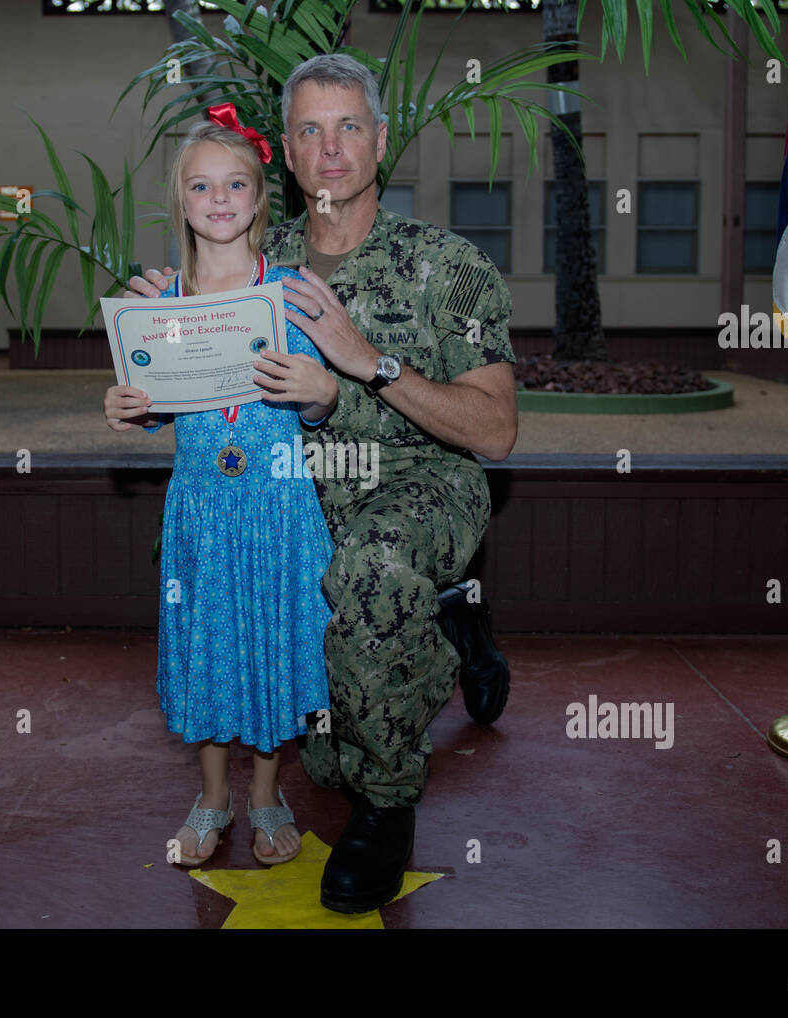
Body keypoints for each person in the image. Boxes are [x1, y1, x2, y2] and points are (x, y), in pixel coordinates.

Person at [131, 54, 518, 915]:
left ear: (381, 141)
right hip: (290, 504)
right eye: (310, 129)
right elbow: (184, 356)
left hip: (415, 484)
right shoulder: (249, 263)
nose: (331, 148)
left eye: (349, 127)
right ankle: (453, 621)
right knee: (322, 750)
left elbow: (495, 432)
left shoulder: (443, 265)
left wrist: (369, 365)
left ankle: (386, 807)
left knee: (371, 578)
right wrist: (160, 319)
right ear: (287, 156)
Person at [102, 109, 339, 867]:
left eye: (236, 183)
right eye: (201, 185)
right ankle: (210, 800)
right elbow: (150, 406)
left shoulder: (294, 293)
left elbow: (321, 399)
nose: (220, 197)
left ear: (261, 198)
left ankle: (267, 798)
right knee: (208, 650)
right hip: (202, 509)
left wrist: (318, 391)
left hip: (278, 503)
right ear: (182, 201)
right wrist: (128, 406)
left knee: (273, 648)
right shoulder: (158, 302)